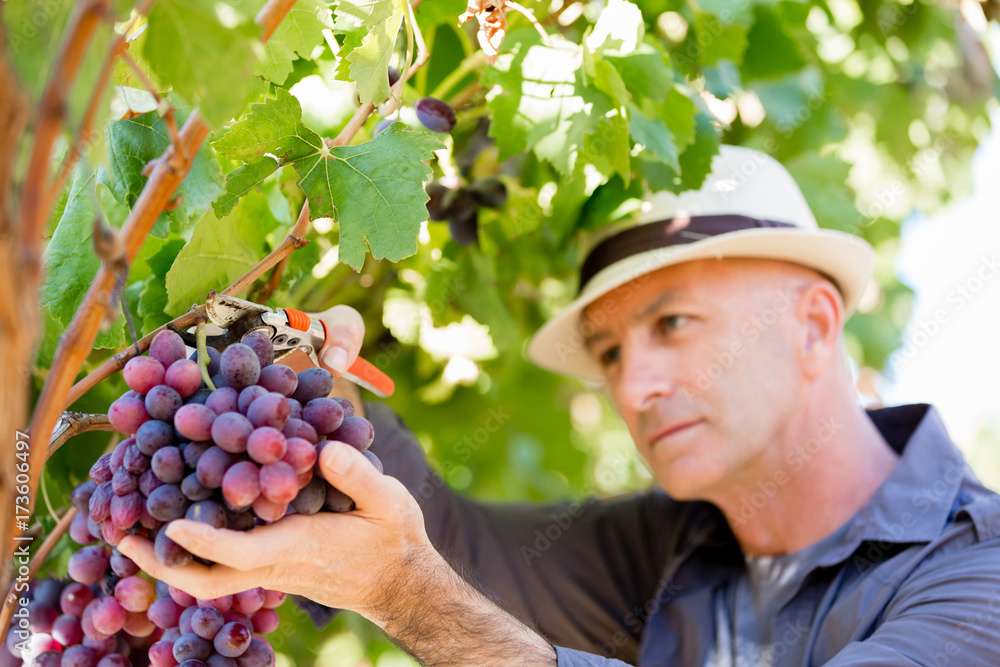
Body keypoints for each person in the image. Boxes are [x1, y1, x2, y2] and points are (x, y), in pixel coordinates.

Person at [120, 146, 1000, 666]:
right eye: (612, 350)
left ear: (813, 324)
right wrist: (312, 380)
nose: (633, 384)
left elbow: (427, 585)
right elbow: (449, 547)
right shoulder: (664, 545)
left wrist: (404, 596)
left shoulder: (980, 574)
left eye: (675, 322)